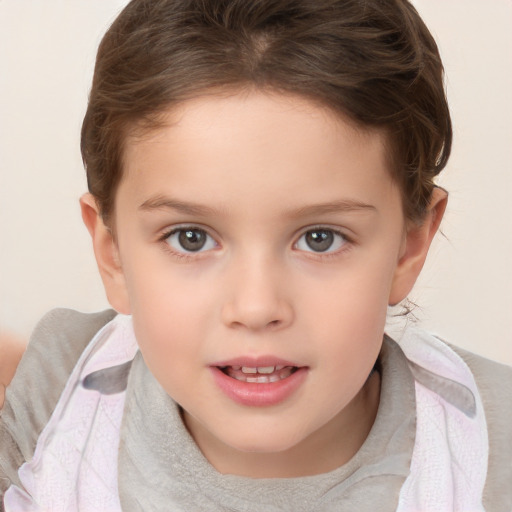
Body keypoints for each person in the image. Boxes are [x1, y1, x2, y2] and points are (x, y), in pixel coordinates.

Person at [0, 0, 510, 510]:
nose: (256, 307)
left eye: (320, 239)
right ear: (112, 253)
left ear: (409, 246)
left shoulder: (494, 450)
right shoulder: (55, 394)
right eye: (191, 238)